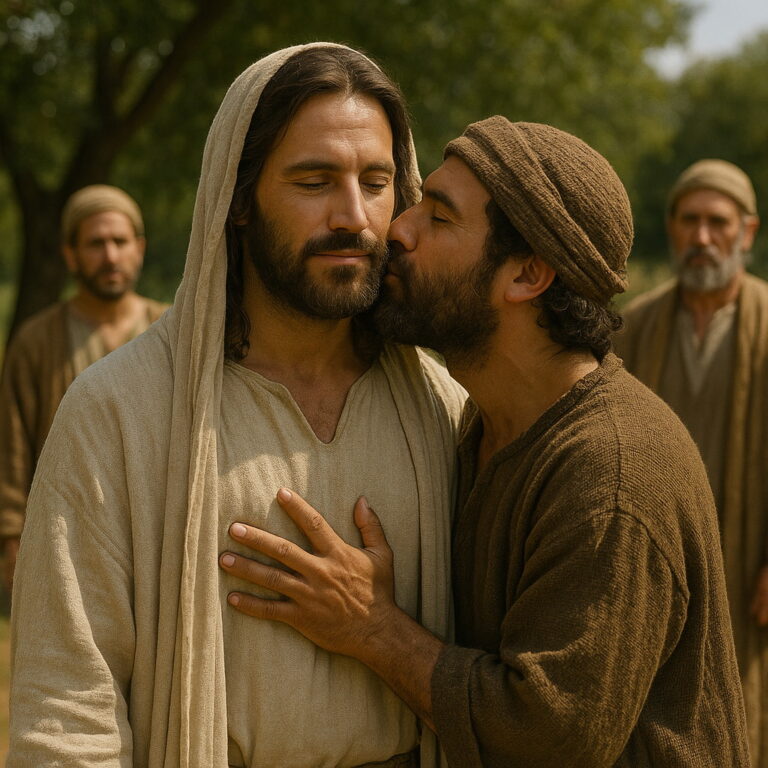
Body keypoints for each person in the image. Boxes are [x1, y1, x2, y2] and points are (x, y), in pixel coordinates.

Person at [220, 119, 750, 766]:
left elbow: (549, 737)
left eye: (439, 218)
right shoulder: (479, 421)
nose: (398, 230)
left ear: (527, 275)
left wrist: (374, 628)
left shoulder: (611, 471)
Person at [8, 44, 464, 768]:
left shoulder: (444, 409)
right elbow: (68, 713)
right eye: (314, 181)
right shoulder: (121, 411)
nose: (352, 216)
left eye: (375, 182)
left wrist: (382, 631)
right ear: (240, 197)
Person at [613, 158, 767, 765]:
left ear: (747, 232)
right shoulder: (633, 328)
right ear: (672, 228)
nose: (703, 238)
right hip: (658, 569)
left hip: (748, 561)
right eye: (690, 221)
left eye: (718, 223)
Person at [0, 184, 166, 593]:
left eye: (119, 241)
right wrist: (11, 534)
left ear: (139, 248)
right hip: (65, 536)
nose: (110, 256)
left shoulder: (172, 332)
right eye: (95, 243)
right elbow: (12, 443)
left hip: (159, 536)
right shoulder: (38, 341)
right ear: (70, 254)